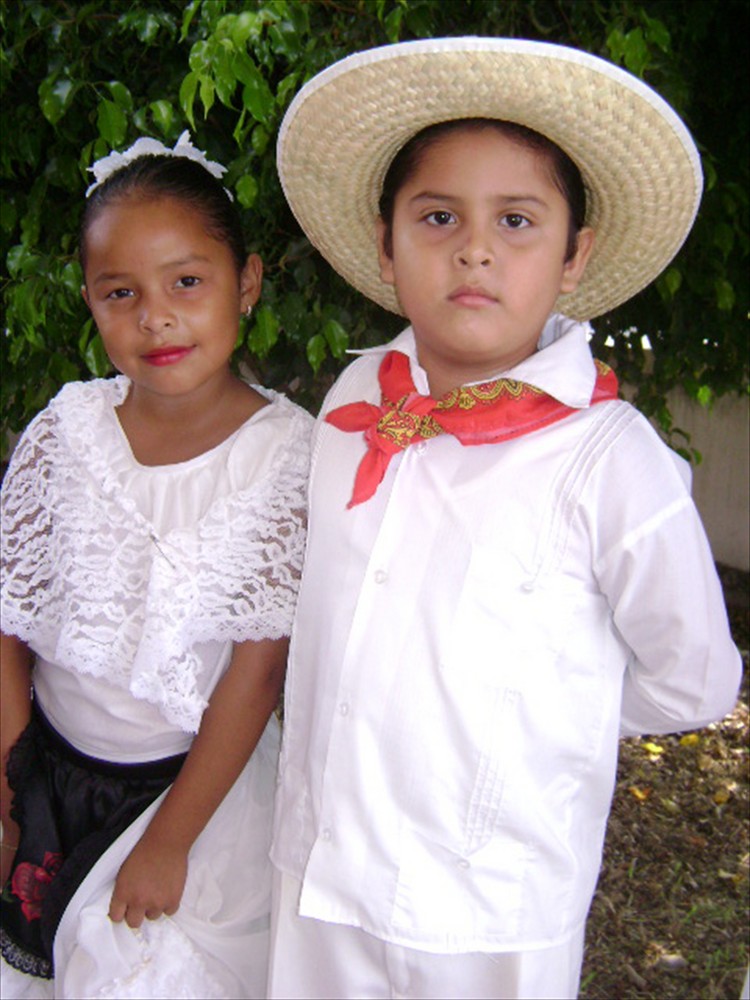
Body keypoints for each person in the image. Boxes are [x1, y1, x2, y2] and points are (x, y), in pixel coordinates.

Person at [266, 37, 743, 999]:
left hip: (489, 907)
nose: (474, 247)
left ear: (575, 258)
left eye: (516, 220)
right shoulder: (357, 399)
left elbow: (693, 683)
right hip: (318, 874)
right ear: (386, 239)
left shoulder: (612, 463)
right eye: (437, 215)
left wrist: (543, 704)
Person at [0, 132, 312, 999]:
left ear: (245, 282)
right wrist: (9, 789)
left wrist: (171, 839)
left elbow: (256, 672)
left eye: (186, 281)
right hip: (43, 772)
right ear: (92, 303)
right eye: (120, 292)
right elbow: (10, 622)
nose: (155, 316)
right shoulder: (64, 434)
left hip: (188, 797)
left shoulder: (287, 459)